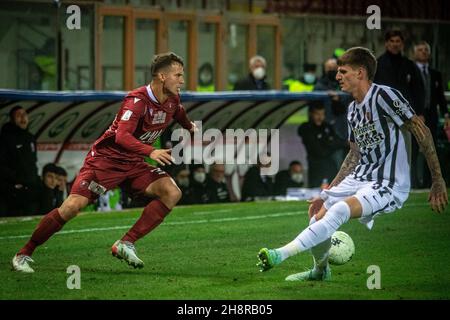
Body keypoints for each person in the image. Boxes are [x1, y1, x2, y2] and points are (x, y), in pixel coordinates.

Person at [257, 47, 448, 282]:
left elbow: (422, 132)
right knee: (317, 215)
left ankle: (279, 254)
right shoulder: (352, 110)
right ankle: (320, 271)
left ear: (360, 73)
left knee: (338, 211)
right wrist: (329, 191)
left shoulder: (385, 96)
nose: (337, 77)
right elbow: (354, 155)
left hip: (388, 182)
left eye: (342, 71)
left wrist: (438, 179)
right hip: (361, 176)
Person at [12, 52, 197, 273]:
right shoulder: (137, 101)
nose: (182, 81)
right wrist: (151, 151)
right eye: (178, 75)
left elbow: (180, 113)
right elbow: (122, 137)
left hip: (133, 163)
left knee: (171, 192)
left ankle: (125, 243)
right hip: (105, 161)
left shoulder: (173, 101)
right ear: (161, 76)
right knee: (72, 207)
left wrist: (191, 128)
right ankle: (24, 253)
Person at [413, 41, 449, 187]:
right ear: (415, 53)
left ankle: (430, 182)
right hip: (414, 117)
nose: (423, 52)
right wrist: (416, 113)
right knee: (413, 150)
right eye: (420, 50)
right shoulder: (410, 71)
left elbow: (440, 96)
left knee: (431, 150)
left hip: (432, 117)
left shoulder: (435, 74)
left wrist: (446, 115)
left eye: (426, 50)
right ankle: (414, 182)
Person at [0, 106, 40, 217]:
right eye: (18, 115)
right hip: (13, 190)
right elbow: (2, 165)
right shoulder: (5, 138)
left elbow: (33, 162)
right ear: (12, 119)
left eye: (25, 114)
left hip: (30, 188)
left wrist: (34, 180)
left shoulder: (30, 138)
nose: (23, 118)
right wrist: (15, 181)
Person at [298, 102, 347, 187]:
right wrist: (330, 143)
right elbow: (319, 151)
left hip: (331, 166)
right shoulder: (306, 128)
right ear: (311, 114)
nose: (320, 117)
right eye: (317, 114)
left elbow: (339, 141)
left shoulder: (327, 126)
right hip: (316, 167)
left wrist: (327, 143)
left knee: (332, 190)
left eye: (322, 114)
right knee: (316, 193)